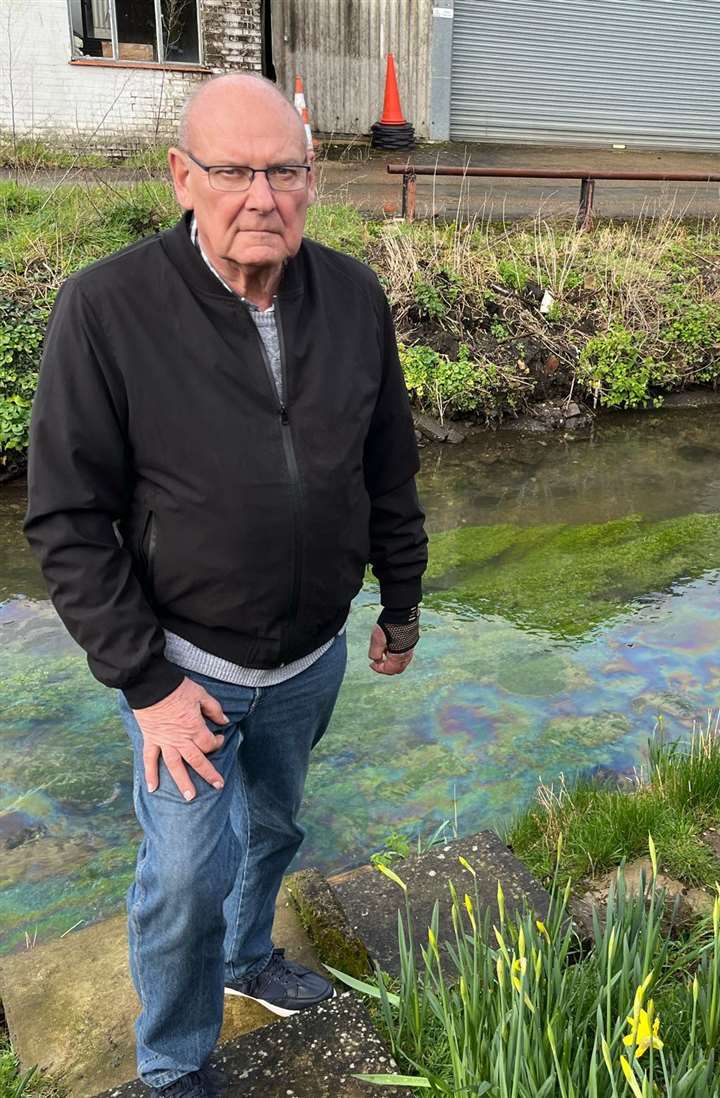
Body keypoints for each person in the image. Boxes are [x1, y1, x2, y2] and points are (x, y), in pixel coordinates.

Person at [23, 73, 428, 1097]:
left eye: (285, 170)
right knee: (181, 881)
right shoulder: (107, 308)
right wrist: (146, 684)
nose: (263, 196)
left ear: (312, 178)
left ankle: (251, 961)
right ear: (182, 178)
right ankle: (172, 1065)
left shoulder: (353, 297)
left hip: (309, 658)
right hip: (185, 673)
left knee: (278, 827)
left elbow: (387, 467)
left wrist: (402, 600)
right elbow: (68, 521)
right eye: (235, 171)